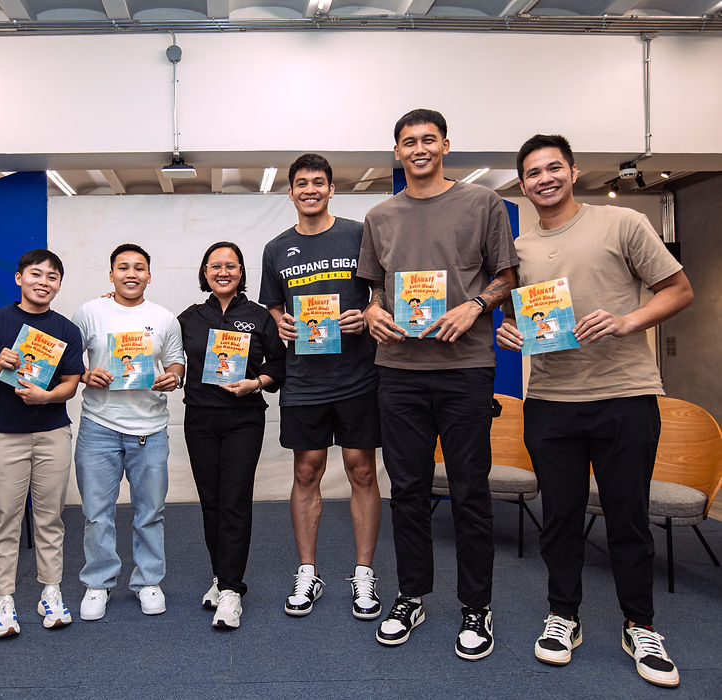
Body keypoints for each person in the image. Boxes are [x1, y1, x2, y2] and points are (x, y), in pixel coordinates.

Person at [498, 134, 693, 687]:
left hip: (624, 394)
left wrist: (628, 321)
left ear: (574, 170)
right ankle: (563, 616)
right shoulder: (520, 249)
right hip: (552, 402)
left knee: (627, 518)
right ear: (523, 183)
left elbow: (678, 290)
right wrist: (512, 332)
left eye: (553, 168)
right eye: (533, 173)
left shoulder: (623, 222)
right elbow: (525, 316)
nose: (544, 179)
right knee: (558, 520)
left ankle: (641, 625)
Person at [359, 108, 518, 660]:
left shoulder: (482, 203)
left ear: (446, 145)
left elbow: (506, 276)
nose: (419, 148)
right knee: (406, 491)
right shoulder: (380, 215)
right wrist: (375, 313)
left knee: (471, 491)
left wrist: (475, 306)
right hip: (399, 371)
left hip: (465, 368)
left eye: (429, 139)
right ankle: (412, 595)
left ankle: (477, 606)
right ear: (397, 152)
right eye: (409, 142)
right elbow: (372, 290)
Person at [259, 153, 383, 621]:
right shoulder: (276, 248)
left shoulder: (357, 234)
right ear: (289, 192)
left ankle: (364, 574)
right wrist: (282, 323)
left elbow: (382, 290)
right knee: (306, 473)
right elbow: (273, 306)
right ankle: (307, 571)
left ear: (332, 189)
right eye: (301, 184)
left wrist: (367, 312)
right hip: (305, 381)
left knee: (361, 471)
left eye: (319, 182)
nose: (310, 189)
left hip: (357, 376)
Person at [0, 249, 85, 638]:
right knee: (6, 520)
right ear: (19, 278)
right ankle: (4, 600)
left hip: (52, 433)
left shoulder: (65, 328)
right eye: (36, 274)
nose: (43, 282)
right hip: (3, 434)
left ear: (59, 284)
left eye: (52, 277)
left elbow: (71, 380)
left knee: (50, 517)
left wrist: (47, 397)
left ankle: (51, 591)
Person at [72, 243, 185, 620]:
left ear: (149, 275)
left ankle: (148, 580)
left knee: (150, 511)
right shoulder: (90, 312)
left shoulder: (165, 318)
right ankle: (98, 583)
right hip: (99, 426)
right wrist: (86, 374)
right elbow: (70, 361)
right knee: (96, 513)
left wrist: (174, 376)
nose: (131, 274)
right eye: (123, 267)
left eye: (139, 268)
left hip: (149, 429)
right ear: (111, 275)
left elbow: (176, 360)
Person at [179, 241, 286, 629]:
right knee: (211, 502)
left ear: (241, 272)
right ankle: (220, 576)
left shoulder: (259, 317)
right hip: (201, 420)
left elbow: (279, 364)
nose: (223, 272)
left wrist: (256, 382)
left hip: (243, 419)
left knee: (235, 500)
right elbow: (161, 348)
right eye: (215, 266)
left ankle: (231, 589)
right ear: (204, 272)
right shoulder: (188, 317)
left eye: (231, 265)